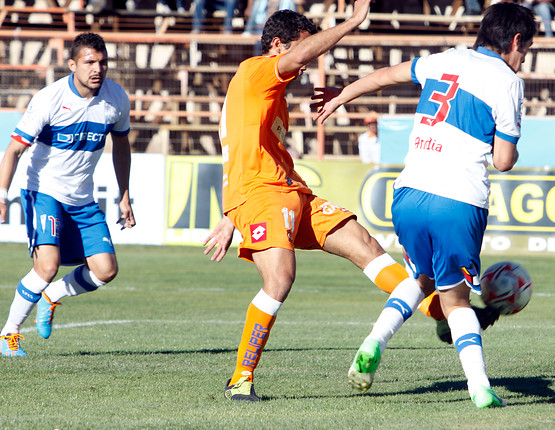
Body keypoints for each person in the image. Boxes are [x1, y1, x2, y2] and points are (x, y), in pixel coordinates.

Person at [200, 1, 446, 403]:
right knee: (279, 278)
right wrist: (351, 22)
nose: (305, 64)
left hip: (291, 192)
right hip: (262, 194)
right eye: (301, 49)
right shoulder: (256, 70)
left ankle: (441, 315)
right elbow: (296, 59)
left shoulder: (268, 92)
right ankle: (241, 378)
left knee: (366, 245)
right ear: (277, 45)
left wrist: (231, 214)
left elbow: (245, 148)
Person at [312, 2, 536, 408]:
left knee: (421, 279)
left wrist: (341, 95)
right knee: (456, 302)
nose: (523, 59)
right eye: (526, 50)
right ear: (516, 41)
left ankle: (373, 341)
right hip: (458, 199)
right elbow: (503, 161)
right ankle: (480, 387)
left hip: (409, 192)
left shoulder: (444, 59)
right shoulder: (508, 81)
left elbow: (386, 76)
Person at [0, 33, 135, 357]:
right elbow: (15, 150)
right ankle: (8, 334)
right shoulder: (50, 98)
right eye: (90, 62)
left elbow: (122, 146)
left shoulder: (116, 98)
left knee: (105, 270)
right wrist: (2, 195)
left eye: (103, 62)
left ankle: (52, 296)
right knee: (47, 266)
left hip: (82, 198)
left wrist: (125, 195)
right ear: (73, 64)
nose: (97, 69)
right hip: (44, 190)